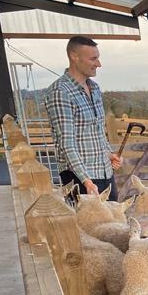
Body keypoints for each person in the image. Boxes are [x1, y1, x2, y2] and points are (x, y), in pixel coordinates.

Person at [44, 35, 122, 201]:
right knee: (88, 226)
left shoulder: (94, 89)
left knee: (114, 225)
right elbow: (67, 143)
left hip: (105, 174)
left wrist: (109, 154)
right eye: (93, 59)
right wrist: (86, 181)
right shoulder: (60, 92)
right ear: (74, 56)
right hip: (80, 178)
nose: (98, 64)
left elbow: (97, 131)